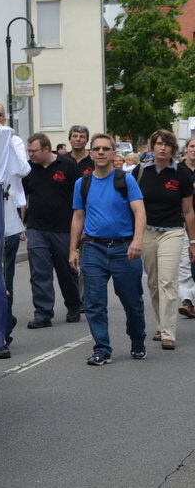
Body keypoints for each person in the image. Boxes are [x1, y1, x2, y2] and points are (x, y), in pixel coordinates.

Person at [69, 133, 147, 365]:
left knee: (132, 302)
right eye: (97, 149)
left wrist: (138, 241)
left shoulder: (126, 180)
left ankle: (137, 340)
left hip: (125, 248)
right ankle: (102, 348)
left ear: (114, 154)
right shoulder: (82, 183)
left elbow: (140, 212)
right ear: (91, 153)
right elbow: (77, 217)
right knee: (93, 302)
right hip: (93, 248)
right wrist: (73, 249)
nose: (101, 152)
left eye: (106, 149)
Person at [136, 130, 195, 349]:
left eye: (167, 144)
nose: (162, 147)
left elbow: (188, 211)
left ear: (173, 148)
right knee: (153, 282)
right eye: (158, 144)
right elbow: (132, 206)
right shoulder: (140, 171)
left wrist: (193, 242)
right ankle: (161, 325)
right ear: (152, 146)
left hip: (172, 232)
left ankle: (169, 332)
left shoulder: (181, 174)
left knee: (167, 282)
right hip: (147, 232)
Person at [0, 102, 31, 358]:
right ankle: (3, 318)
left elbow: (23, 170)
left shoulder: (14, 141)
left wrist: (5, 140)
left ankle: (1, 336)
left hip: (6, 221)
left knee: (3, 279)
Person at [22, 132, 84, 328]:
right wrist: (21, 224)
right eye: (29, 151)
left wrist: (83, 225)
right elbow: (22, 197)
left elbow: (81, 197)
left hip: (64, 229)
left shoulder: (68, 165)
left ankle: (74, 305)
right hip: (36, 228)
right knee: (39, 272)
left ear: (47, 149)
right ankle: (43, 313)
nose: (30, 154)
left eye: (34, 151)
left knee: (66, 271)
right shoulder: (28, 169)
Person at [178, 137, 195, 319]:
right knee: (184, 263)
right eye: (192, 146)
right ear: (186, 148)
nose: (194, 150)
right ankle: (187, 301)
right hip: (182, 221)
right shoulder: (177, 170)